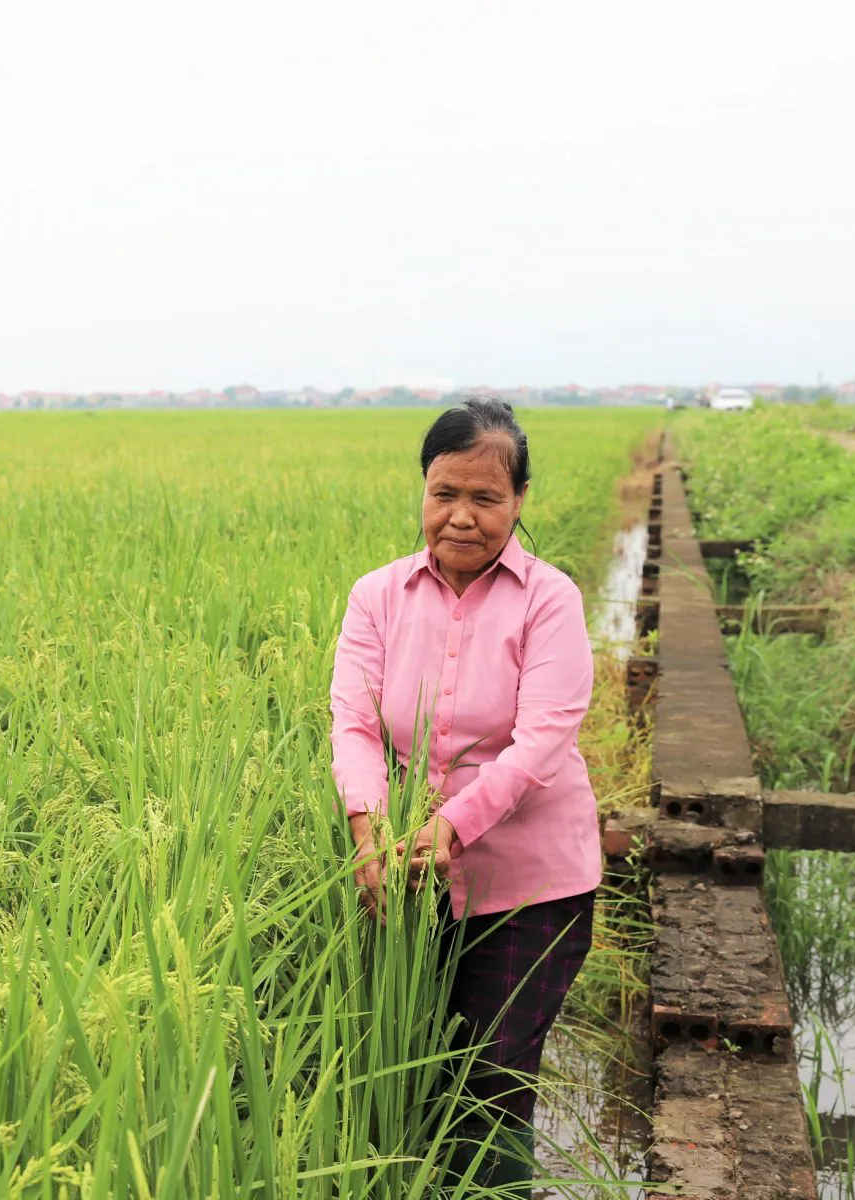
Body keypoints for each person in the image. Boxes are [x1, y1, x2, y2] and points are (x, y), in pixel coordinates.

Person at [329, 397, 603, 1195]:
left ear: (518, 503)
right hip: (413, 876)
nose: (461, 517)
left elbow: (542, 740)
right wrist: (368, 827)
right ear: (423, 488)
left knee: (492, 1086)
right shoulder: (376, 596)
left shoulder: (549, 600)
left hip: (531, 885)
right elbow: (353, 723)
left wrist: (453, 824)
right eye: (445, 493)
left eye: (485, 499)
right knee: (419, 1065)